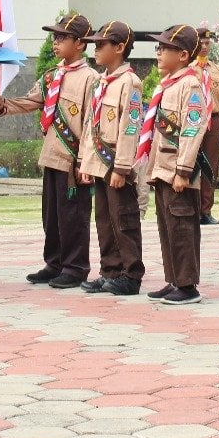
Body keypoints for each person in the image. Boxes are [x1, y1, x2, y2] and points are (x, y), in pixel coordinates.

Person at [0, 13, 96, 289]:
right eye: (55, 37)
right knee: (52, 215)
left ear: (80, 43)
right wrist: (1, 104)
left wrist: (84, 160)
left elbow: (91, 123)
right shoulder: (53, 75)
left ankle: (75, 267)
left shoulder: (91, 79)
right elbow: (31, 101)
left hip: (72, 159)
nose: (56, 42)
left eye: (62, 37)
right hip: (51, 155)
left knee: (73, 216)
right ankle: (54, 263)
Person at [136, 24, 210, 304]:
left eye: (164, 48)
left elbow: (193, 128)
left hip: (178, 171)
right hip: (163, 169)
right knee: (167, 227)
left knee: (182, 228)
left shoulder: (190, 85)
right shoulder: (169, 84)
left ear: (182, 55)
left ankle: (188, 285)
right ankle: (174, 279)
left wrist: (183, 170)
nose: (158, 52)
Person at [76, 21, 146, 295]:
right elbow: (90, 123)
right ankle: (110, 270)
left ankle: (131, 274)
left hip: (117, 163)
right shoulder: (102, 80)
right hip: (99, 162)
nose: (95, 49)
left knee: (124, 218)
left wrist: (122, 166)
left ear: (119, 48)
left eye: (101, 44)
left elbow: (130, 127)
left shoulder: (130, 83)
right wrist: (85, 161)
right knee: (104, 219)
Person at [195, 28, 219, 225]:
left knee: (210, 166)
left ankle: (205, 211)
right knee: (191, 164)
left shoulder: (217, 69)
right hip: (194, 119)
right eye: (201, 42)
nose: (204, 46)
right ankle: (192, 208)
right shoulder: (188, 68)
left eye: (207, 43)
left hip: (214, 119)